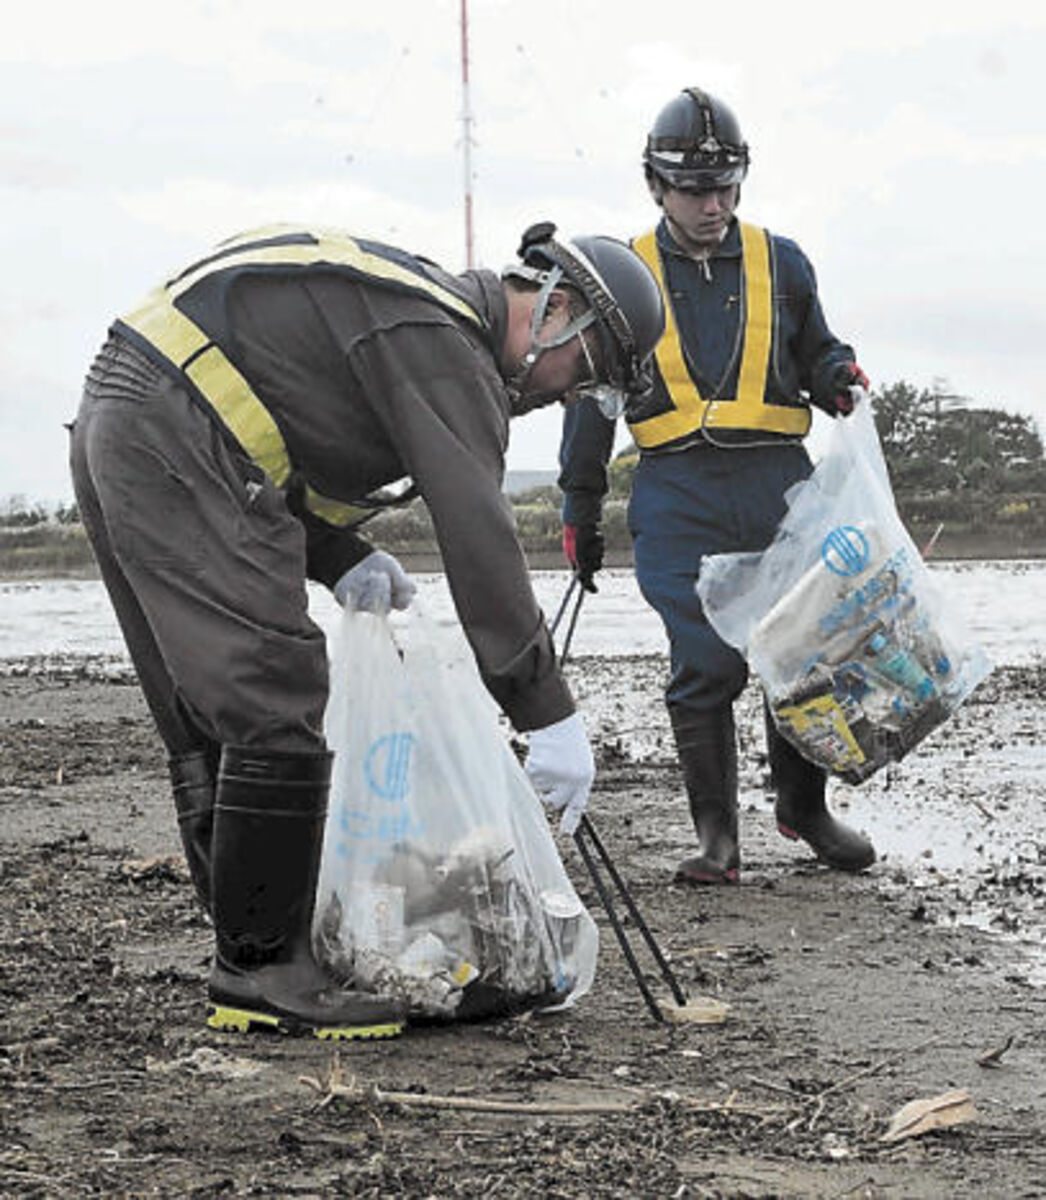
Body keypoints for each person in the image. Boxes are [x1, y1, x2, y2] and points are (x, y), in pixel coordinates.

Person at [69, 220, 664, 1039]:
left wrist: (336, 552)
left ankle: (257, 937)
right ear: (556, 309)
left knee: (207, 698)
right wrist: (545, 709)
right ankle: (261, 967)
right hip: (167, 419)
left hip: (142, 409)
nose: (567, 396)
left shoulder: (419, 322)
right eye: (586, 374)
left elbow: (272, 417)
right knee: (271, 680)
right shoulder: (443, 340)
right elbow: (479, 533)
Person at [558, 87, 876, 885]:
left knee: (800, 651)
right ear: (655, 185)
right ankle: (717, 840)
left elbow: (819, 352)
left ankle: (804, 808)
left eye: (725, 187)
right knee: (706, 660)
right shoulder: (620, 274)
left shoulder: (785, 262)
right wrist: (579, 509)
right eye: (695, 189)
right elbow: (591, 406)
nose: (713, 204)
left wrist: (839, 379)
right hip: (676, 492)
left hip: (780, 488)